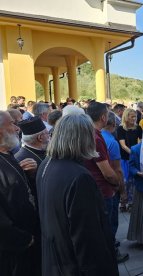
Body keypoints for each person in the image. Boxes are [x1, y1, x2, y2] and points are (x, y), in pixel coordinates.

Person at [36, 113, 118, 275]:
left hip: (56, 260)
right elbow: (87, 238)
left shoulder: (47, 163)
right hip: (74, 265)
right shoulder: (79, 177)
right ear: (84, 138)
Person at [85, 101, 128, 263]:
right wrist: (119, 185)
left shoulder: (90, 133)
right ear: (103, 117)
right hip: (104, 190)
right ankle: (111, 255)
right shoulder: (97, 137)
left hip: (95, 188)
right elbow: (108, 172)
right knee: (108, 226)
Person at [0, 111, 41, 276]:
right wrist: (24, 240)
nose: (17, 128)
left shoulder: (8, 155)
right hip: (15, 251)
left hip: (29, 240)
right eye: (12, 123)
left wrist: (29, 176)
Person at [101, 112, 125, 248]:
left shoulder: (95, 137)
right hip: (111, 186)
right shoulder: (112, 142)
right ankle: (113, 249)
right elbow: (117, 170)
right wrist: (122, 189)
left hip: (98, 186)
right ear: (114, 125)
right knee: (112, 220)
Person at [15, 117, 50, 204]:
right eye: (47, 133)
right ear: (40, 137)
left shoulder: (44, 150)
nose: (49, 136)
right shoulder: (21, 159)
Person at [117, 108, 143, 211]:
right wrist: (133, 153)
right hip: (125, 157)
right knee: (125, 180)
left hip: (134, 156)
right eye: (131, 116)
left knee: (133, 180)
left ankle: (132, 202)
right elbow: (123, 145)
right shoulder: (120, 129)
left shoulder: (138, 128)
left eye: (135, 116)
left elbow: (140, 142)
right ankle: (123, 201)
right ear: (126, 117)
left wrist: (137, 153)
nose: (134, 118)